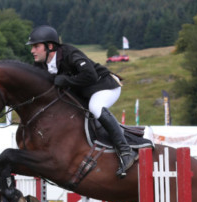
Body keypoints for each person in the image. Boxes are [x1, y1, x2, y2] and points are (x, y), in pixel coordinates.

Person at [27, 25, 136, 178]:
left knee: (95, 107)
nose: (32, 51)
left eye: (36, 46)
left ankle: (126, 151)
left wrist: (66, 80)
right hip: (86, 93)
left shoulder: (70, 53)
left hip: (105, 86)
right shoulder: (40, 64)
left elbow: (90, 75)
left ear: (49, 46)